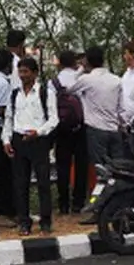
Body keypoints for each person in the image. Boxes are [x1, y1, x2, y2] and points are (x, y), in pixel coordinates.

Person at [3, 57, 59, 235]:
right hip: (19, 139)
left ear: (35, 73)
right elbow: (9, 118)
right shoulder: (15, 94)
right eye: (20, 72)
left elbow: (53, 118)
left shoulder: (45, 92)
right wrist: (6, 140)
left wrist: (39, 132)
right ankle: (24, 222)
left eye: (26, 71)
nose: (23, 75)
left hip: (38, 140)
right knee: (20, 183)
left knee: (43, 182)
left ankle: (45, 221)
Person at [67, 46, 123, 173]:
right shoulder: (116, 80)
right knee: (118, 168)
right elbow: (122, 107)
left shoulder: (87, 79)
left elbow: (68, 88)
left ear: (87, 60)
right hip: (114, 129)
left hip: (96, 130)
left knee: (100, 169)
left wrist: (81, 69)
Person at [52, 50, 89, 215]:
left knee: (62, 166)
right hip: (80, 127)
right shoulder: (80, 78)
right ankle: (78, 202)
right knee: (81, 166)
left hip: (61, 128)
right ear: (74, 62)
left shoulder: (53, 82)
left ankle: (63, 204)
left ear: (60, 63)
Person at [0, 49, 17, 221]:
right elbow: (1, 110)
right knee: (4, 172)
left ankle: (5, 209)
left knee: (1, 171)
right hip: (1, 130)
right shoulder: (2, 84)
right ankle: (2, 210)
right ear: (8, 65)